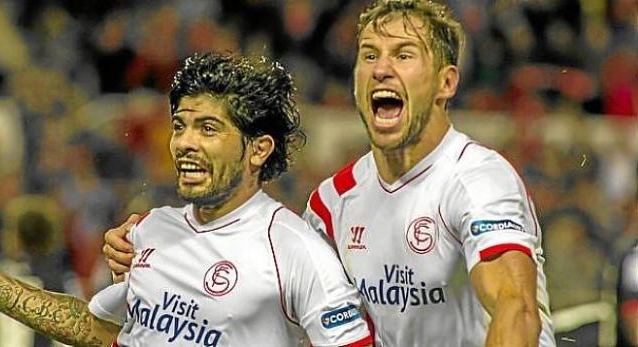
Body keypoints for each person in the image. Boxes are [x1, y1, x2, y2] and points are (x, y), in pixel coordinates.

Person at [104, 1, 556, 346]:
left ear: (446, 83)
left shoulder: (476, 179)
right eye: (369, 55)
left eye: (404, 55)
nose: (382, 69)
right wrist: (150, 247)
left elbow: (515, 310)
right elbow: (268, 289)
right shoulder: (332, 203)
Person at [0, 52, 373, 347]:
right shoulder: (150, 229)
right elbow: (98, 330)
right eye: (180, 126)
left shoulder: (295, 249)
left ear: (259, 149)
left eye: (208, 128)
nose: (184, 143)